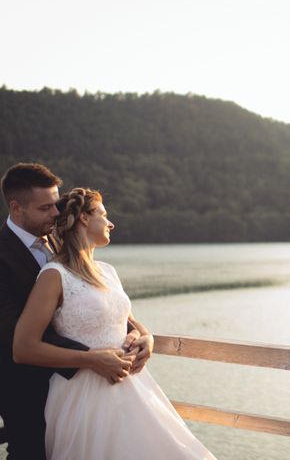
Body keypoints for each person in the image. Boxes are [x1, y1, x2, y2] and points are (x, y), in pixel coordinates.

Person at [12, 186, 216, 459]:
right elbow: (23, 347)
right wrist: (92, 360)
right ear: (84, 218)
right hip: (85, 396)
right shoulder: (54, 275)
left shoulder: (108, 271)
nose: (110, 223)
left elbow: (127, 320)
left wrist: (147, 338)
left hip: (134, 387)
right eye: (103, 214)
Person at [0, 163, 150, 459]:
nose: (56, 215)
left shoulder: (61, 238)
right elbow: (13, 334)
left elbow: (99, 306)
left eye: (56, 206)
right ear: (17, 208)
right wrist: (92, 358)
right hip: (26, 389)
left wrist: (143, 335)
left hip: (98, 384)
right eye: (45, 208)